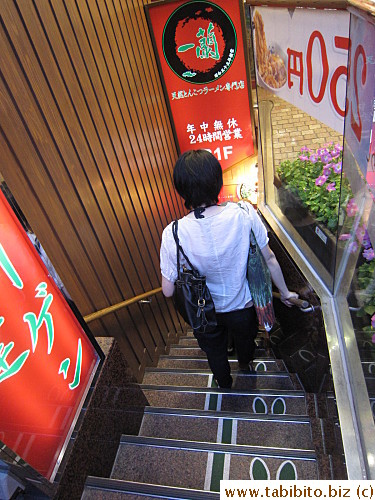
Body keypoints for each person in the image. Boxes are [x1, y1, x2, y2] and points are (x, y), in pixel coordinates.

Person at [160, 149, 298, 389]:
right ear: (217, 182)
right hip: (242, 306)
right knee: (246, 341)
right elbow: (270, 258)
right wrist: (285, 293)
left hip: (204, 314)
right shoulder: (244, 213)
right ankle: (245, 365)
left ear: (181, 190)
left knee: (214, 352)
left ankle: (224, 383)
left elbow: (168, 291)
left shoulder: (173, 233)